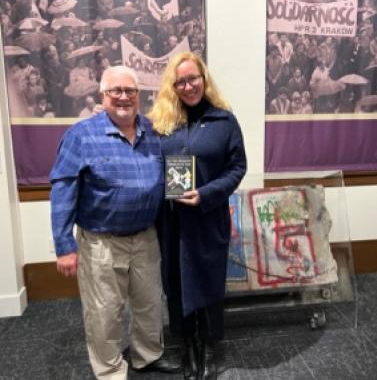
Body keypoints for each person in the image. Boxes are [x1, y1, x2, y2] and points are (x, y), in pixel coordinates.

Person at [49, 66, 181, 380]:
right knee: (104, 311)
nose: (123, 97)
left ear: (139, 95)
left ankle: (147, 356)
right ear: (102, 96)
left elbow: (176, 173)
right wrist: (64, 245)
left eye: (130, 91)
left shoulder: (154, 132)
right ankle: (109, 370)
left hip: (146, 237)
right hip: (100, 242)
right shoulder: (81, 135)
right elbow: (63, 190)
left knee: (149, 303)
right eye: (115, 91)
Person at [147, 52, 247, 380]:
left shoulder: (224, 121)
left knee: (207, 281)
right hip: (171, 221)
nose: (188, 86)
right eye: (181, 82)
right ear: (172, 86)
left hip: (208, 217)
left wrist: (207, 194)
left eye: (193, 78)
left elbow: (237, 167)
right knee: (175, 283)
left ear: (204, 79)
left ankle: (207, 345)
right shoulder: (161, 124)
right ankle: (187, 344)